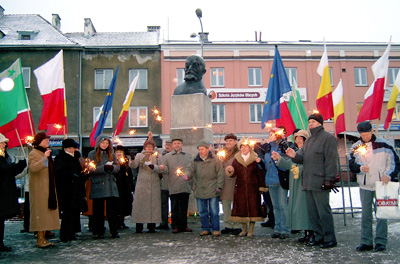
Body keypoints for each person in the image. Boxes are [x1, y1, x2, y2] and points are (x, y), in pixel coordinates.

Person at [286, 113, 339, 249]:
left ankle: (330, 238)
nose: (310, 124)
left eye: (313, 122)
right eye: (309, 122)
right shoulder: (309, 140)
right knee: (313, 213)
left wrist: (329, 179)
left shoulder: (328, 138)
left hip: (320, 181)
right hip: (308, 181)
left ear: (320, 123)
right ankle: (319, 236)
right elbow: (301, 157)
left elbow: (331, 160)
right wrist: (294, 155)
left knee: (323, 212)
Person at [349, 121, 400, 252]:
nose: (365, 137)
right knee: (366, 215)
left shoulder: (385, 144)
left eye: (367, 134)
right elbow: (352, 165)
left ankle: (381, 241)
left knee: (382, 214)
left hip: (382, 184)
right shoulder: (356, 146)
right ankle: (366, 241)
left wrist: (388, 175)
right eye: (362, 134)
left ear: (372, 131)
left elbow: (394, 163)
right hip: (365, 185)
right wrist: (360, 168)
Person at [272, 130, 313, 243]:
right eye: (296, 139)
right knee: (300, 210)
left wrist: (299, 170)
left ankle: (312, 233)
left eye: (300, 139)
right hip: (296, 185)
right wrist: (279, 159)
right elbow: (289, 164)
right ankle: (306, 233)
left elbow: (313, 165)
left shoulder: (309, 152)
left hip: (305, 185)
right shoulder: (297, 152)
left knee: (306, 210)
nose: (298, 141)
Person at [226, 139, 267, 237]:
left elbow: (260, 174)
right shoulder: (236, 159)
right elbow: (233, 174)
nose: (244, 149)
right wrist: (230, 170)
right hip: (240, 188)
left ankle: (251, 229)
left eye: (246, 147)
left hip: (253, 188)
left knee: (253, 209)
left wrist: (261, 187)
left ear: (250, 148)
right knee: (241, 209)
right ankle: (244, 228)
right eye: (242, 147)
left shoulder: (255, 158)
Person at [184, 139, 224, 237]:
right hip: (199, 188)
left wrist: (219, 186)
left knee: (214, 211)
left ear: (207, 149)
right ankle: (206, 228)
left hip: (212, 188)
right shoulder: (195, 160)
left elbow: (220, 174)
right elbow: (190, 169)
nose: (201, 151)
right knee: (202, 211)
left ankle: (216, 229)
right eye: (199, 149)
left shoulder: (215, 160)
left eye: (202, 149)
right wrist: (187, 175)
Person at [28, 132, 60, 248]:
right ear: (40, 142)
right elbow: (33, 168)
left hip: (47, 188)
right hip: (39, 189)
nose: (48, 142)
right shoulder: (34, 153)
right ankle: (40, 239)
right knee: (40, 213)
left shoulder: (44, 152)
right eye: (46, 140)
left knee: (45, 213)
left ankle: (43, 237)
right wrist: (44, 159)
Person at [87, 135, 120, 239]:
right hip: (98, 184)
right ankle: (98, 231)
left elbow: (117, 167)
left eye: (106, 143)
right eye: (103, 143)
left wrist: (112, 168)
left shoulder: (112, 154)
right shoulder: (92, 154)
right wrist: (103, 168)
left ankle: (114, 231)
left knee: (112, 210)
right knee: (98, 210)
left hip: (110, 184)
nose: (105, 145)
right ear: (98, 143)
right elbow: (90, 168)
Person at [55, 138, 87, 243]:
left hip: (77, 188)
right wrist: (71, 176)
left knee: (75, 212)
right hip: (67, 189)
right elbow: (60, 172)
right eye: (70, 148)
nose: (72, 150)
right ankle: (65, 235)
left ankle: (72, 232)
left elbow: (80, 171)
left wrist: (84, 175)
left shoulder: (76, 157)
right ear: (65, 148)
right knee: (67, 213)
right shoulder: (60, 158)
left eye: (73, 148)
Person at [159, 138, 193, 233]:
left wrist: (189, 178)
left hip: (184, 184)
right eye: (175, 143)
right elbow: (165, 169)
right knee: (174, 207)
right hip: (173, 184)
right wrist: (163, 168)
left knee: (184, 207)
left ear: (182, 144)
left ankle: (184, 225)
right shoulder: (167, 156)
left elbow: (191, 169)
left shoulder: (188, 156)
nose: (177, 145)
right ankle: (175, 225)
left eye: (178, 143)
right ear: (172, 145)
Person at [0, 133, 27, 252]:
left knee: (1, 221)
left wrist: (19, 166)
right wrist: (13, 167)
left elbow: (9, 171)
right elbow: (4, 170)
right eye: (3, 142)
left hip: (5, 192)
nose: (5, 144)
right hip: (1, 192)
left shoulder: (4, 155)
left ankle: (0, 243)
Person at [263, 127, 290, 239]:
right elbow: (266, 166)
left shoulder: (283, 147)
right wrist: (261, 163)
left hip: (280, 181)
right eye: (269, 134)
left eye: (272, 134)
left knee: (283, 206)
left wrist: (278, 160)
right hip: (270, 181)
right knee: (275, 206)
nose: (270, 136)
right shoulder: (268, 148)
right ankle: (277, 228)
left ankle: (285, 229)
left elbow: (286, 165)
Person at [130, 139, 162, 233]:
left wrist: (155, 167)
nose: (149, 148)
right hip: (142, 183)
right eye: (147, 146)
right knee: (140, 204)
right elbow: (134, 165)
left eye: (151, 146)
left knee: (153, 205)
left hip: (154, 183)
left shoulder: (157, 156)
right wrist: (132, 159)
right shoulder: (140, 155)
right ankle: (139, 225)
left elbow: (162, 168)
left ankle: (151, 225)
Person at [219, 133, 242, 235]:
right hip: (224, 182)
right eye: (227, 141)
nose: (228, 143)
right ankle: (228, 225)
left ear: (235, 142)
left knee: (236, 205)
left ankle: (237, 225)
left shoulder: (239, 153)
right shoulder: (222, 153)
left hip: (235, 181)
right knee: (226, 204)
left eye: (231, 141)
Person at [114, 145, 134, 230]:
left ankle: (122, 221)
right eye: (117, 152)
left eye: (120, 152)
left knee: (125, 203)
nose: (119, 154)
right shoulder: (113, 161)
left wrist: (131, 185)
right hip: (116, 184)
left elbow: (130, 173)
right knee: (117, 204)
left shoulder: (126, 161)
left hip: (125, 185)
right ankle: (117, 222)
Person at [156, 139, 173, 230]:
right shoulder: (160, 154)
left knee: (174, 204)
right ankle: (163, 222)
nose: (168, 146)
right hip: (163, 183)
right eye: (166, 144)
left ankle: (174, 222)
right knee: (163, 204)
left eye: (170, 145)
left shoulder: (174, 155)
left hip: (173, 183)